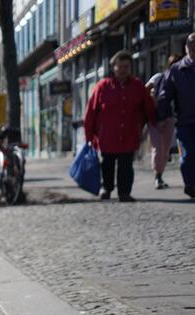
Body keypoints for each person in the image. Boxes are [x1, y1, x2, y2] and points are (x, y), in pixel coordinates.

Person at [83, 50, 156, 202]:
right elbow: (91, 112)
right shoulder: (103, 86)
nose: (123, 70)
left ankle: (124, 192)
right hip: (107, 135)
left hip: (129, 133)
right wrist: (89, 136)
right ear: (113, 67)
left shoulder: (137, 86)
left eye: (127, 67)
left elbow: (148, 107)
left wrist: (155, 122)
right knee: (107, 164)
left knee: (126, 166)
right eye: (120, 66)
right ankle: (107, 188)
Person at [157, 33, 195, 199]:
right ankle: (190, 184)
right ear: (186, 47)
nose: (194, 48)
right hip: (185, 122)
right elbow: (165, 95)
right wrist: (161, 116)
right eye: (191, 45)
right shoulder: (176, 69)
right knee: (187, 157)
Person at [146, 54, 182, 189]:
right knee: (157, 147)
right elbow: (144, 91)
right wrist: (151, 97)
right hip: (155, 117)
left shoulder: (181, 80)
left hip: (170, 117)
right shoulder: (159, 77)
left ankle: (160, 174)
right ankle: (157, 176)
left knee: (165, 149)